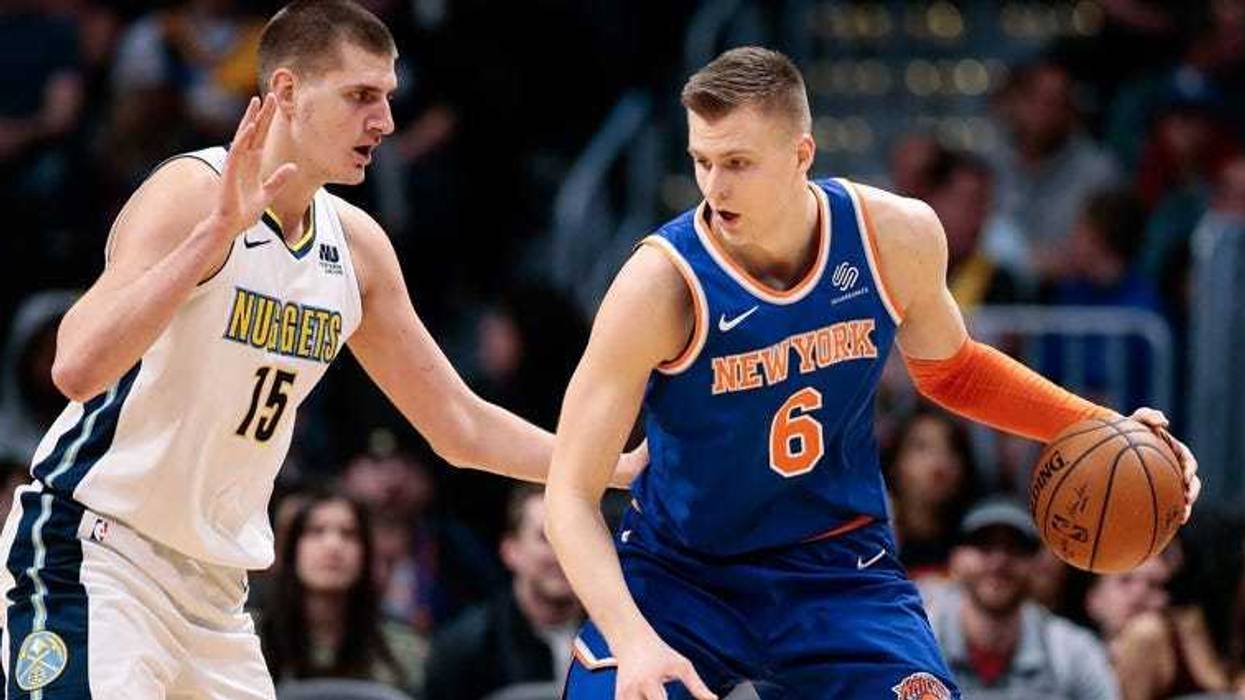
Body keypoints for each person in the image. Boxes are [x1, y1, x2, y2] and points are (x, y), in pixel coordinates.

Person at [0, 2, 642, 698]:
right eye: (360, 95)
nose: (385, 121)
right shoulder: (192, 191)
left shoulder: (358, 249)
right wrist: (212, 239)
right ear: (286, 91)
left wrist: (613, 467)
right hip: (96, 553)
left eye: (388, 97)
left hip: (215, 590)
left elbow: (458, 425)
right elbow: (76, 367)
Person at [544, 46, 1200, 700]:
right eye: (702, 161)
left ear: (801, 154)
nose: (714, 188)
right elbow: (570, 494)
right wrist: (631, 639)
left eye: (738, 163)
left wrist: (1104, 427)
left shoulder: (891, 235)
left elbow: (953, 371)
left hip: (835, 567)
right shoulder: (660, 285)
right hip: (681, 574)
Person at [927, 499, 1120, 699]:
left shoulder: (1072, 652)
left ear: (1036, 564)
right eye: (984, 546)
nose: (999, 562)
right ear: (955, 559)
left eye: (1014, 548)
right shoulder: (919, 644)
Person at [260, 488, 425, 696]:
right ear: (290, 547)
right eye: (315, 531)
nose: (333, 546)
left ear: (367, 551)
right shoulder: (247, 637)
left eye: (349, 534)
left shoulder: (402, 649)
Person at [425, 484, 583, 700]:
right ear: (511, 551)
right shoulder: (465, 648)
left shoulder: (616, 635)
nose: (561, 553)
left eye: (576, 536)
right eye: (546, 538)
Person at [884, 404, 980, 581]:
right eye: (922, 448)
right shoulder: (867, 544)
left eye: (950, 448)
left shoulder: (978, 551)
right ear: (895, 464)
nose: (938, 462)